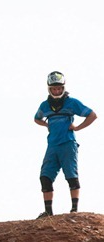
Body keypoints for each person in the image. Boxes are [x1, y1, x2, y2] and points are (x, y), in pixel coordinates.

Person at [34, 71, 97, 218]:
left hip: (68, 144)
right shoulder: (44, 105)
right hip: (52, 146)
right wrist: (45, 125)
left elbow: (92, 115)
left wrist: (78, 127)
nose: (56, 91)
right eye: (53, 89)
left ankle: (74, 210)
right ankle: (48, 212)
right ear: (49, 89)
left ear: (63, 88)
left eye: (59, 88)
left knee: (71, 175)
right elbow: (36, 118)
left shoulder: (72, 102)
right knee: (45, 177)